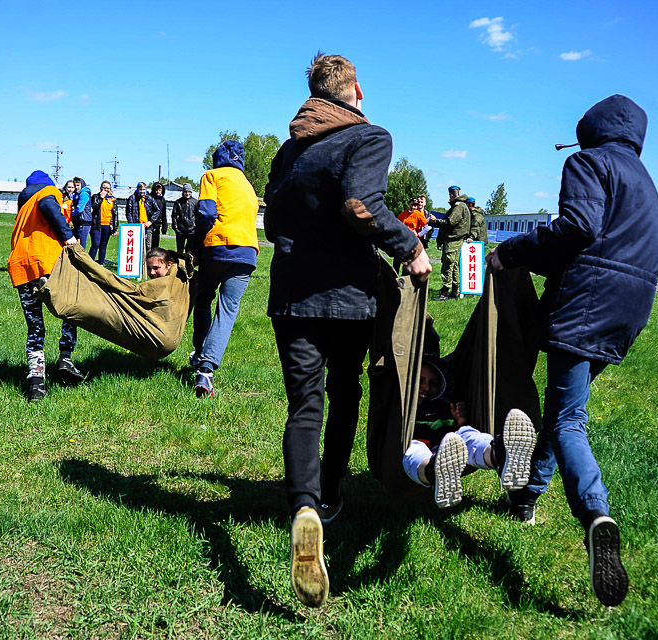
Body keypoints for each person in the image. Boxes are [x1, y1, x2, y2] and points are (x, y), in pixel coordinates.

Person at [264, 52, 432, 608]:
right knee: (344, 392)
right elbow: (362, 204)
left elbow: (274, 220)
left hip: (291, 294)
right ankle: (330, 494)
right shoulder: (369, 137)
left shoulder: (290, 149)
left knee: (304, 405)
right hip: (346, 299)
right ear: (355, 91)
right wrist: (410, 246)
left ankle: (303, 505)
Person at [488, 94, 658, 607]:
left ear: (592, 129)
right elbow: (603, 245)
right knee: (562, 412)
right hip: (629, 311)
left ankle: (595, 514)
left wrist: (511, 251)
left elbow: (578, 228)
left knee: (568, 421)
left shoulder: (588, 163)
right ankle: (526, 498)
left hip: (587, 305)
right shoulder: (647, 184)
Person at [401, 353, 535, 508]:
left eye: (434, 383)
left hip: (451, 450)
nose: (426, 387)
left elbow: (457, 432)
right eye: (420, 381)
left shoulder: (446, 406)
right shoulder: (402, 406)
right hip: (421, 446)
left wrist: (461, 421)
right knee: (414, 451)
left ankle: (499, 454)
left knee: (467, 433)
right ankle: (433, 471)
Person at [189, 140, 260, 398]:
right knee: (227, 310)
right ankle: (206, 371)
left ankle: (200, 352)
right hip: (247, 252)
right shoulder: (248, 185)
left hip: (218, 247)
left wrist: (195, 247)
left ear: (217, 157)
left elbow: (207, 213)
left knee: (203, 298)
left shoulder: (212, 175)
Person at [8, 170, 85, 402]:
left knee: (35, 326)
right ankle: (65, 357)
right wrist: (68, 236)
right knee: (72, 308)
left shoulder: (25, 203)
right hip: (47, 263)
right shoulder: (47, 193)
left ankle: (36, 382)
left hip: (22, 266)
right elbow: (49, 206)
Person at [432, 185, 471, 300]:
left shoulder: (458, 207)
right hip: (455, 240)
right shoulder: (461, 206)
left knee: (448, 265)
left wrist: (435, 221)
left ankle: (445, 292)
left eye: (450, 195)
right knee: (454, 266)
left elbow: (449, 223)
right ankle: (454, 291)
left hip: (453, 240)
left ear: (452, 195)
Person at [124, 181, 162, 254]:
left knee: (148, 245)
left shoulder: (150, 198)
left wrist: (151, 221)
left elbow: (157, 210)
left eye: (144, 189)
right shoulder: (132, 198)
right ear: (137, 189)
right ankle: (137, 259)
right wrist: (132, 224)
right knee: (136, 245)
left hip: (147, 226)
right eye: (140, 189)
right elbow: (128, 212)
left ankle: (147, 260)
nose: (142, 191)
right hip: (136, 226)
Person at [88, 181, 116, 264]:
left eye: (108, 188)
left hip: (107, 225)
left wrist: (114, 227)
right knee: (95, 244)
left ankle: (101, 263)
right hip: (96, 224)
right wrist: (101, 197)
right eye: (104, 187)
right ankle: (89, 264)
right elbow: (94, 207)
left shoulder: (112, 199)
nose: (106, 189)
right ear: (101, 188)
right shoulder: (95, 197)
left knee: (103, 246)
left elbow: (115, 214)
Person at [171, 185, 198, 253]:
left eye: (189, 192)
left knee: (189, 250)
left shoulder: (195, 202)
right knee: (180, 250)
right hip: (181, 229)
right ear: (183, 192)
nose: (187, 193)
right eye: (185, 192)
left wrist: (196, 227)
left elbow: (197, 216)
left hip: (192, 229)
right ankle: (180, 260)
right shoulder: (178, 202)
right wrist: (176, 228)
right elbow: (174, 215)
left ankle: (188, 260)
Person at [71, 177, 93, 249]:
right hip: (80, 221)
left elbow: (79, 209)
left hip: (84, 221)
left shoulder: (84, 194)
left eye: (78, 185)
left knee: (81, 246)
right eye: (75, 185)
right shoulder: (76, 194)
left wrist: (71, 213)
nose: (76, 187)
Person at [150, 182, 168, 250]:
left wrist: (164, 227)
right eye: (156, 190)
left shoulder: (163, 200)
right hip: (149, 223)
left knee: (155, 243)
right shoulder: (150, 198)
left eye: (159, 190)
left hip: (157, 224)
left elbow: (164, 214)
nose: (158, 192)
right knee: (148, 243)